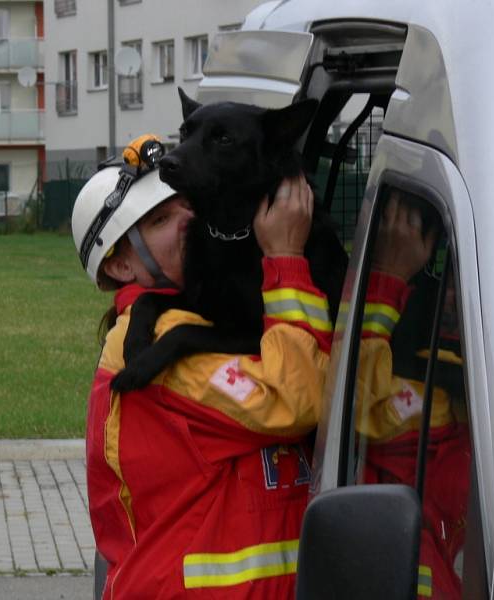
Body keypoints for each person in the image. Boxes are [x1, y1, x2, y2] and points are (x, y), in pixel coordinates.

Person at [72, 135, 334, 599]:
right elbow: (300, 400)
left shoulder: (203, 317)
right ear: (122, 267)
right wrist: (286, 258)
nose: (189, 219)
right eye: (160, 220)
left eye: (186, 205)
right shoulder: (156, 345)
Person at [350, 191, 471, 599]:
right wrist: (390, 278)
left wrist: (390, 275)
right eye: (450, 281)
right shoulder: (431, 391)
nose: (453, 297)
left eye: (470, 284)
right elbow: (352, 406)